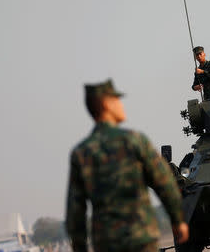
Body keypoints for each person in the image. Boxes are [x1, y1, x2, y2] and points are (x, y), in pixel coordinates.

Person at [66, 79, 189, 252]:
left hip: (107, 243)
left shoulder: (80, 153)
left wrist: (80, 247)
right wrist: (178, 220)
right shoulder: (135, 141)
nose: (121, 105)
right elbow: (165, 184)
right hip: (142, 238)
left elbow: (75, 210)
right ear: (107, 104)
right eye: (117, 100)